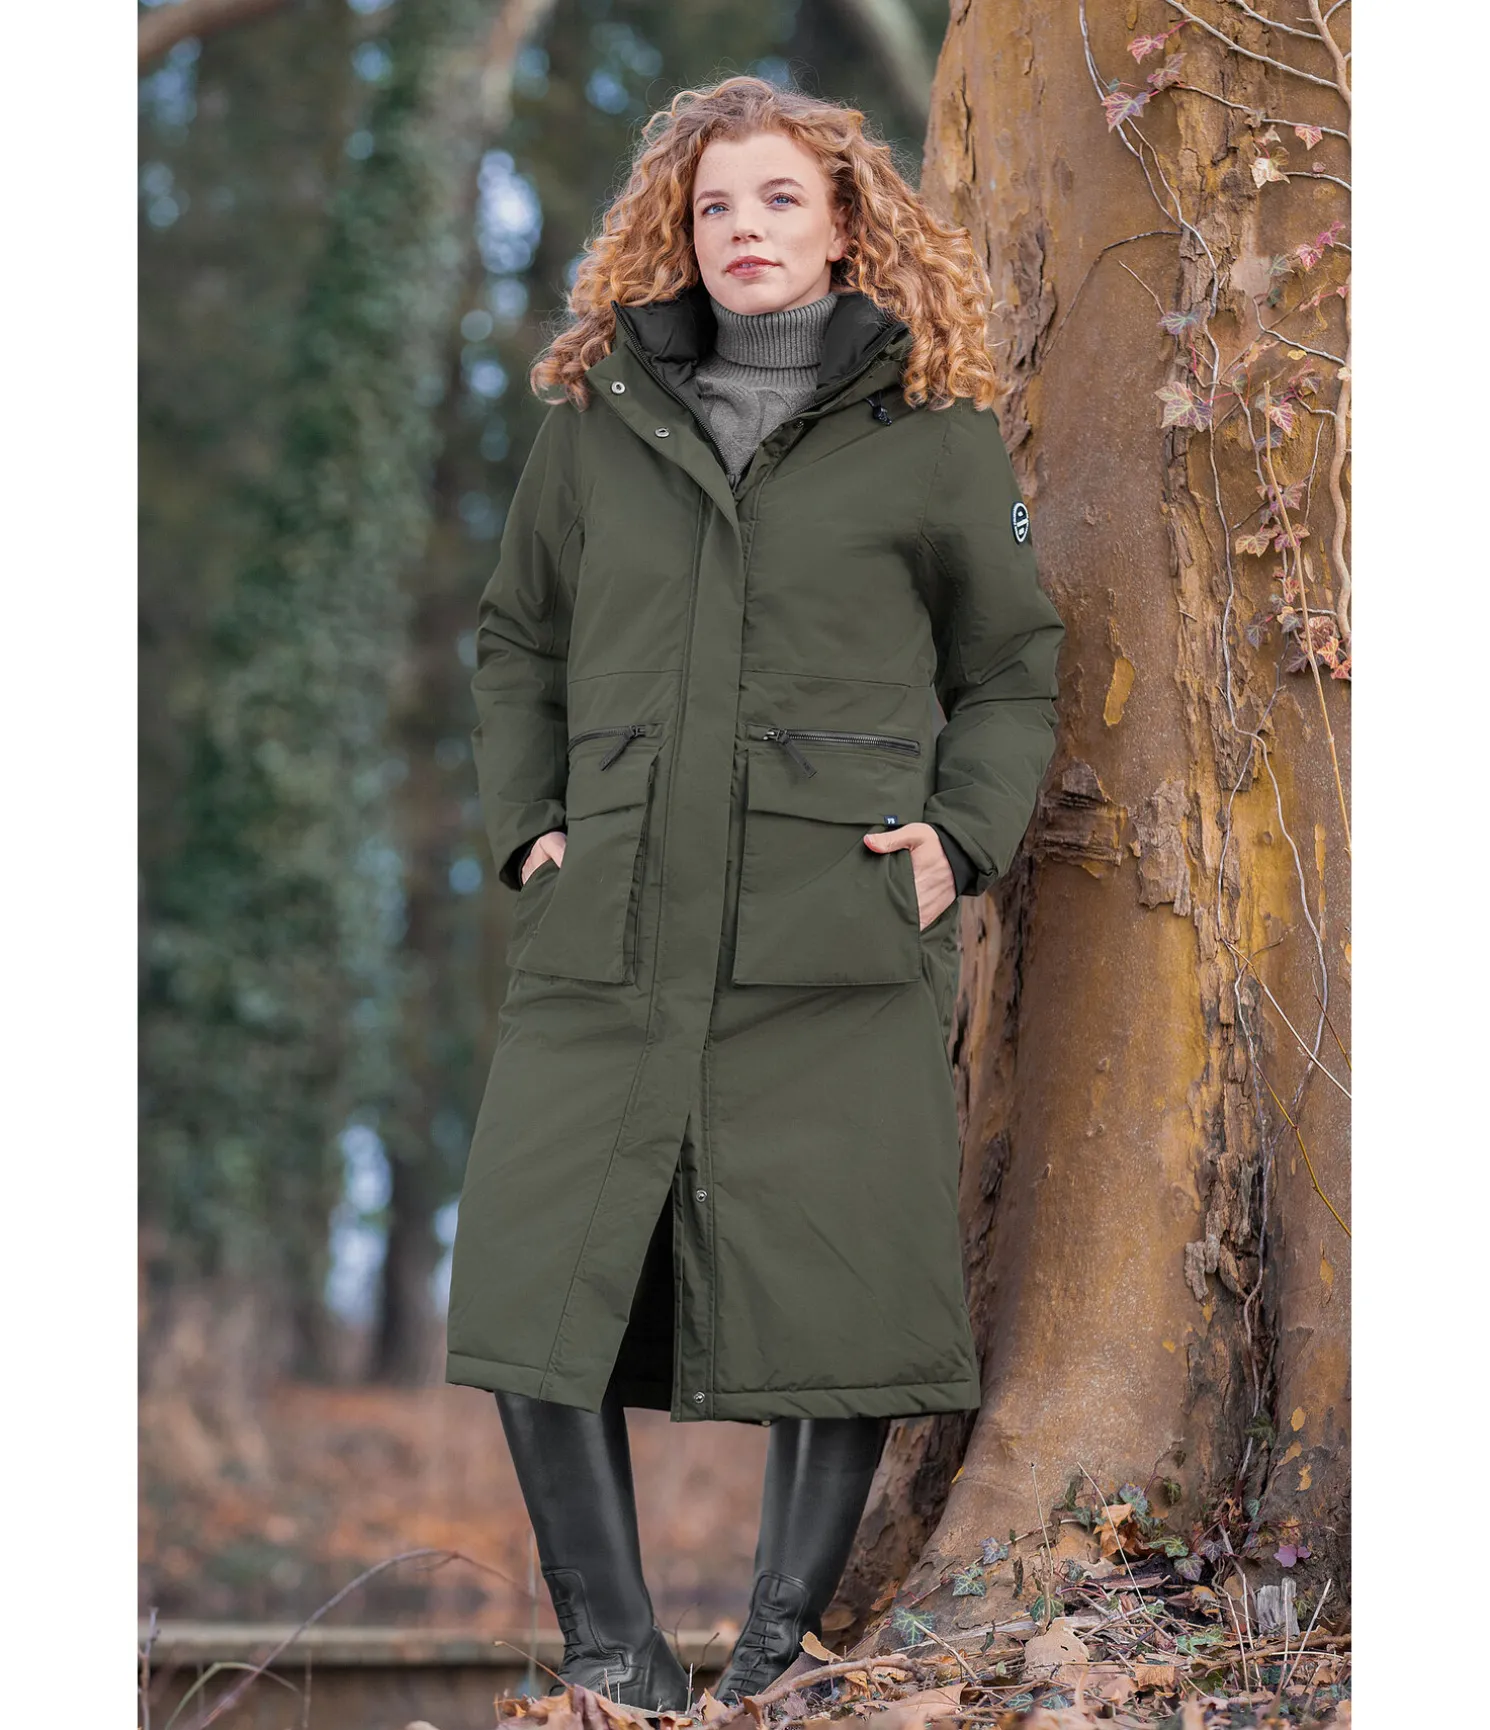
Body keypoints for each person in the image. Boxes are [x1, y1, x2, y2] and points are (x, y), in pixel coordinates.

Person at [445, 75, 1065, 1712]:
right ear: (679, 230)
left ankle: (780, 1651)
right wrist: (530, 826)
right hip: (611, 921)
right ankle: (615, 1651)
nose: (744, 229)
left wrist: (958, 838)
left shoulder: (930, 436)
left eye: (779, 198)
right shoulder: (596, 424)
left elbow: (1011, 663)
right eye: (714, 204)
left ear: (843, 223)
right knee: (531, 1268)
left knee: (842, 1277)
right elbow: (516, 639)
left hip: (832, 925)